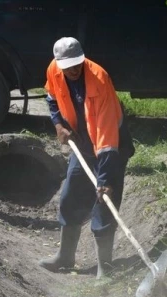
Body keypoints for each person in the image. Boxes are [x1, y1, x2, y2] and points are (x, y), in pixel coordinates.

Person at [38, 37, 135, 279]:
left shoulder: (99, 80)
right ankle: (65, 257)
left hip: (112, 147)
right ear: (59, 63)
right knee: (70, 195)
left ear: (83, 58)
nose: (72, 70)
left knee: (104, 203)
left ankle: (105, 266)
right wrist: (59, 125)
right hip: (82, 144)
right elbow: (51, 97)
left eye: (76, 64)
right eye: (67, 65)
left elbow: (107, 139)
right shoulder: (54, 69)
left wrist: (105, 180)